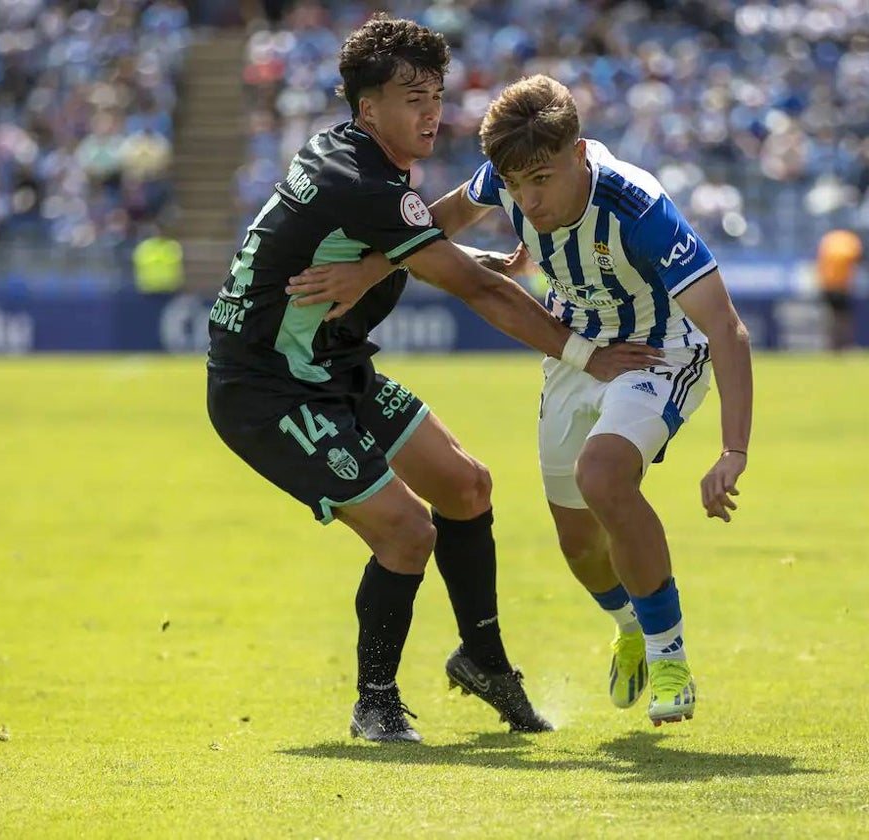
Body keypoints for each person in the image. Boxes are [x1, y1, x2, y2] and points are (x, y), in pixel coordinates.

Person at [206, 19, 659, 743]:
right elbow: (471, 289)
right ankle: (375, 702)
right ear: (367, 109)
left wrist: (422, 261)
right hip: (270, 387)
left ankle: (482, 660)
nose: (431, 111)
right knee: (407, 531)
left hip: (336, 371)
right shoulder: (365, 183)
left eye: (436, 94)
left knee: (466, 485)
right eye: (411, 96)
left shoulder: (352, 161)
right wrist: (584, 353)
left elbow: (416, 241)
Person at [286, 74, 754, 727]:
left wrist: (733, 449)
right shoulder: (502, 180)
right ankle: (629, 626)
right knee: (578, 545)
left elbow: (727, 328)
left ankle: (669, 656)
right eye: (515, 183)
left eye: (542, 178)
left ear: (580, 154)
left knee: (604, 478)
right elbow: (433, 223)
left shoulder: (640, 211)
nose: (528, 200)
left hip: (658, 353)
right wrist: (369, 269)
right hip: (572, 354)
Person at [815, 228, 863, 351]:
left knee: (832, 318)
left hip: (827, 285)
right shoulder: (850, 242)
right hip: (841, 286)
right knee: (843, 318)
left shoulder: (828, 240)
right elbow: (857, 259)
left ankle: (833, 346)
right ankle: (844, 345)